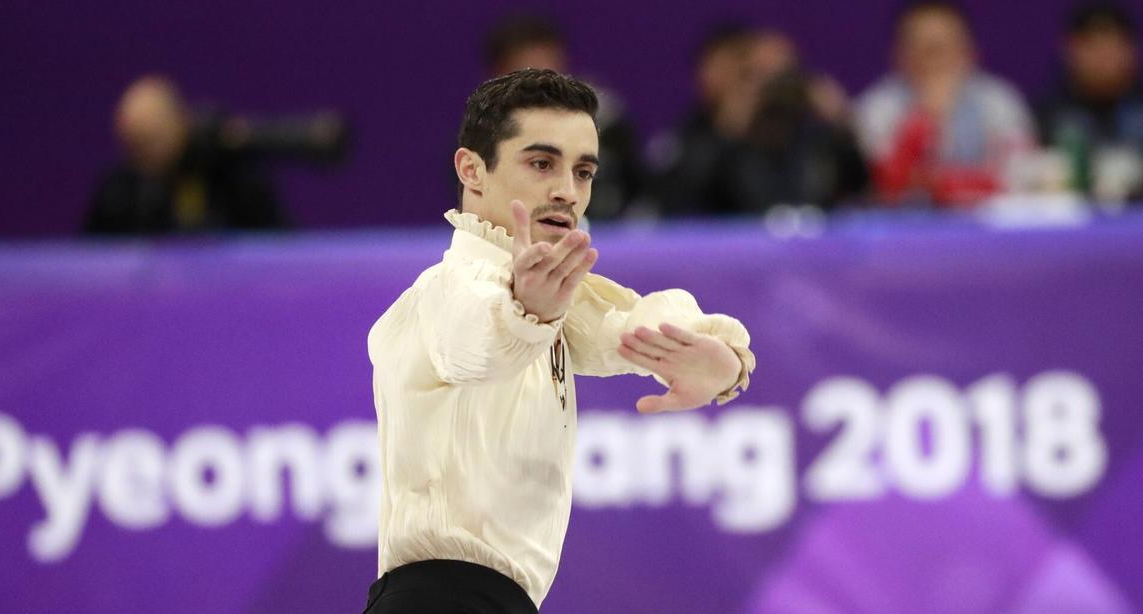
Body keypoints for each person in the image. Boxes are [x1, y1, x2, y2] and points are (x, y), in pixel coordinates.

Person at [365, 69, 755, 613]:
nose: (567, 192)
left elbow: (627, 323)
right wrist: (525, 314)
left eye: (584, 171)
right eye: (542, 163)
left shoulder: (557, 304)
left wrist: (722, 362)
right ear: (472, 170)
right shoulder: (445, 292)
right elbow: (475, 340)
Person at [651, 25, 868, 217]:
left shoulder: (815, 141)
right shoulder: (702, 136)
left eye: (784, 75)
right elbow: (680, 200)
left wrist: (840, 123)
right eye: (758, 75)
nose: (772, 88)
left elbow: (858, 185)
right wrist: (727, 129)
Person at [85, 75, 345, 235]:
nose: (144, 153)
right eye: (134, 144)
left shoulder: (231, 173)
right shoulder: (119, 192)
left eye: (151, 139)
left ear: (179, 122)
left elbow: (277, 246)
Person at [854, 1, 1036, 207]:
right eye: (923, 47)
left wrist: (939, 184)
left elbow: (1017, 179)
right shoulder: (877, 108)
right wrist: (925, 117)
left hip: (985, 223)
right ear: (899, 54)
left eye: (943, 47)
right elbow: (885, 187)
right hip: (902, 224)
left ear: (969, 52)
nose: (934, 60)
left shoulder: (1000, 103)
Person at [484, 14, 647, 220]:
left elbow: (637, 188)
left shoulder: (605, 121)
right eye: (526, 72)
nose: (539, 86)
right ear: (499, 73)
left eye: (548, 70)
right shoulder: (481, 134)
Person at [1035, 2, 1143, 202]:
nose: (1104, 57)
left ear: (1132, 50)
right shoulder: (1045, 114)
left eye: (1113, 46)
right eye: (1093, 46)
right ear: (1070, 50)